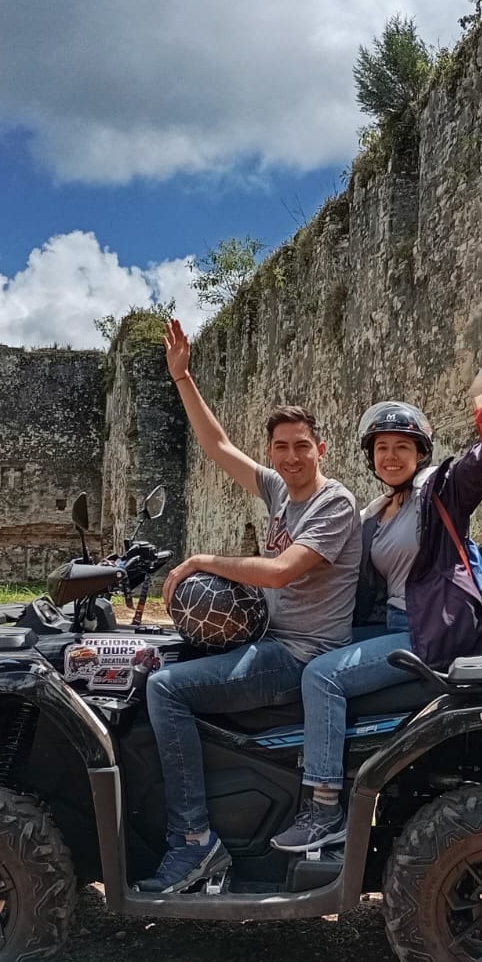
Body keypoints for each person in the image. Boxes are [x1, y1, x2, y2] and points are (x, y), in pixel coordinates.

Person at [269, 367, 482, 853]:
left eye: (402, 446)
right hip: (397, 626)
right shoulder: (376, 514)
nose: (391, 456)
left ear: (420, 453)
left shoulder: (441, 491)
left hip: (430, 632)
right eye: (382, 447)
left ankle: (325, 808)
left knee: (321, 676)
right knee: (314, 649)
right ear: (371, 457)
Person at [138, 319, 363, 893]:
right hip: (267, 638)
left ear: (321, 449)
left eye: (302, 446)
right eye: (281, 447)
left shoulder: (333, 503)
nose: (291, 457)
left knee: (165, 690)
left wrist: (202, 560)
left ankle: (194, 843)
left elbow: (283, 570)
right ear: (271, 451)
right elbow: (217, 447)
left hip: (299, 654)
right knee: (156, 661)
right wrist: (182, 377)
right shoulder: (280, 491)